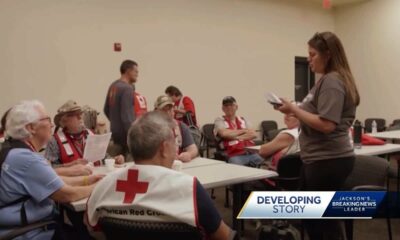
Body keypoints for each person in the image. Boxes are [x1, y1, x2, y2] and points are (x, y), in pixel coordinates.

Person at [86, 111, 232, 240]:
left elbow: (90, 223)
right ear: (163, 148)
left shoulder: (103, 186)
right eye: (174, 141)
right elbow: (224, 236)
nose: (176, 147)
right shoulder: (189, 188)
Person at [275, 31, 360, 240]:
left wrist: (294, 110)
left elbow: (327, 124)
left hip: (328, 159)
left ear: (328, 55)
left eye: (313, 55)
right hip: (322, 159)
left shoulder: (332, 81)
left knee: (322, 224)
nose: (308, 59)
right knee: (318, 221)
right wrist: (292, 109)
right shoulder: (326, 81)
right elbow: (313, 113)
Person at [0, 100, 103, 239]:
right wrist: (100, 186)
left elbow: (50, 179)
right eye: (47, 119)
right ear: (31, 128)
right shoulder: (26, 158)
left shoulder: (14, 150)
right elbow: (67, 195)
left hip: (24, 226)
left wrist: (86, 180)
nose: (52, 124)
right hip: (32, 232)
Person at [45, 100, 124, 170]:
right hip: (74, 184)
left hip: (98, 180)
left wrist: (115, 160)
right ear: (64, 121)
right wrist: (71, 165)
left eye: (80, 113)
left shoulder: (91, 134)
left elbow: (103, 157)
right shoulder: (54, 141)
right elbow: (49, 169)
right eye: (74, 114)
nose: (80, 117)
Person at [104, 60, 147, 156]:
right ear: (128, 71)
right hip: (126, 137)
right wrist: (135, 138)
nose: (137, 75)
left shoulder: (113, 86)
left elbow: (106, 109)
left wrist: (116, 123)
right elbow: (127, 118)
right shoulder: (127, 89)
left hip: (115, 135)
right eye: (136, 72)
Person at [214, 96, 263, 167]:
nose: (228, 107)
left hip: (251, 153)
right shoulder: (219, 120)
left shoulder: (243, 119)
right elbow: (224, 134)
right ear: (223, 108)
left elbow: (254, 134)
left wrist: (233, 135)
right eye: (226, 105)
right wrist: (244, 131)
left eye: (231, 105)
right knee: (237, 169)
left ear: (236, 107)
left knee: (265, 165)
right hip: (234, 155)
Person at [154, 95, 198, 162]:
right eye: (164, 110)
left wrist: (189, 154)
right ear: (156, 112)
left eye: (170, 109)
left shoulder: (181, 126)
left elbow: (193, 148)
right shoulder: (150, 128)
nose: (168, 112)